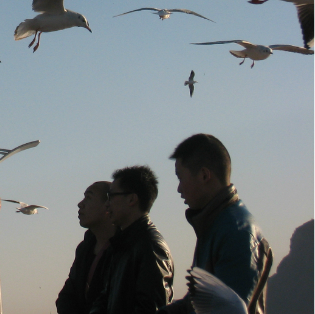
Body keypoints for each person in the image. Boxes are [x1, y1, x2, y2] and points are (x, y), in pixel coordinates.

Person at [164, 134, 272, 314]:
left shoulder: (237, 232)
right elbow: (197, 301)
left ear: (205, 175)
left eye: (180, 178)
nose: (179, 188)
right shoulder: (214, 225)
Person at [90, 165, 174, 314]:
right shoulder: (121, 245)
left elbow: (152, 307)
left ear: (132, 199)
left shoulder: (151, 246)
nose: (107, 203)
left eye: (111, 196)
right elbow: (105, 299)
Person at [55, 181, 116, 314]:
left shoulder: (126, 250)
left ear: (108, 206)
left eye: (88, 198)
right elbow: (66, 296)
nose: (80, 204)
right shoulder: (85, 248)